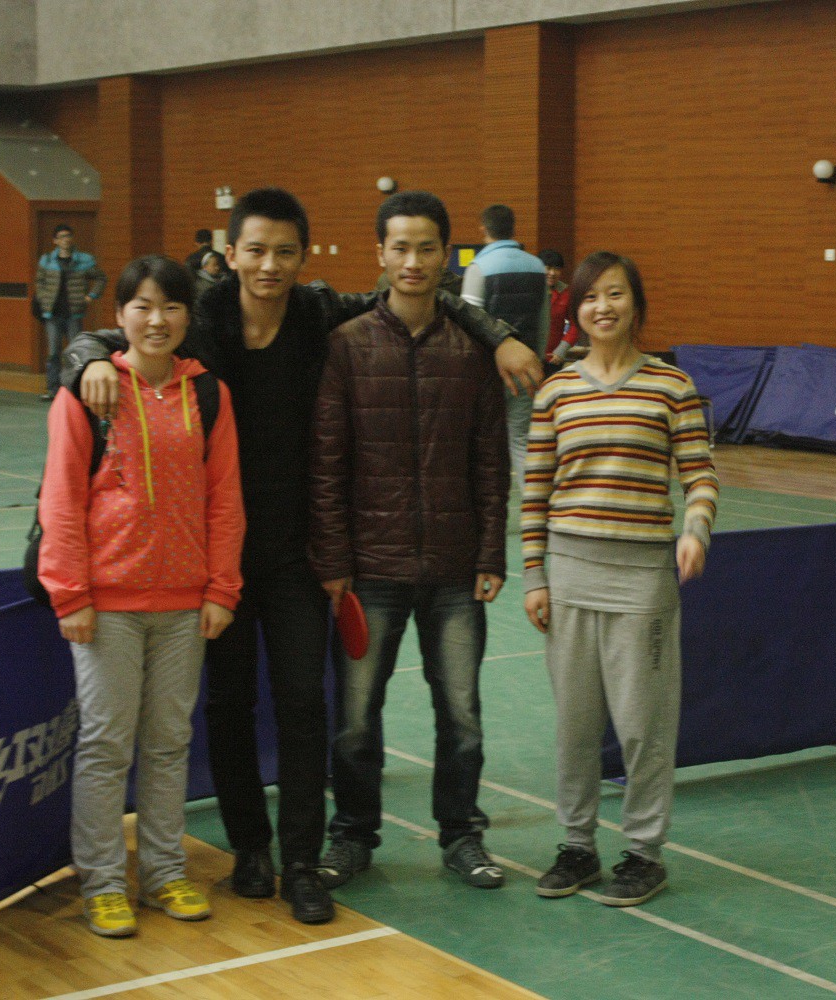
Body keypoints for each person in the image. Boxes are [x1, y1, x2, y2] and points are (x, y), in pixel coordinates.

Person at [64, 187, 537, 925]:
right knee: (228, 705)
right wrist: (87, 357)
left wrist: (499, 334)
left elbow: (413, 293)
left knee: (305, 705)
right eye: (255, 250)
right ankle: (250, 851)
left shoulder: (318, 312)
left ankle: (302, 863)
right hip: (213, 555)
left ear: (303, 256)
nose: (270, 266)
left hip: (297, 551)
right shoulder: (200, 319)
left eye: (285, 252)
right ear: (230, 255)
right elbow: (125, 329)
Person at [38, 255, 245, 936]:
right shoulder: (88, 392)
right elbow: (61, 499)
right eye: (143, 306)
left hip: (185, 607)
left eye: (172, 307)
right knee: (105, 747)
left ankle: (162, 873)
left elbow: (225, 499)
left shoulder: (208, 394)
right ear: (120, 314)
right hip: (108, 608)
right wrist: (71, 593)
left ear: (188, 317)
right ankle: (102, 882)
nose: (158, 321)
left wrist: (221, 587)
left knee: (167, 745)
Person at [310, 191, 511, 891]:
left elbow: (490, 461)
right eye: (400, 247)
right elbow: (327, 463)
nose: (413, 261)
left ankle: (462, 836)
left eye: (427, 248)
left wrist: (491, 552)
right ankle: (351, 835)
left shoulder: (472, 351)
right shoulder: (346, 345)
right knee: (355, 720)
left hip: (455, 571)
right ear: (380, 254)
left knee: (462, 716)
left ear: (445, 254)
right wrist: (334, 559)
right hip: (370, 570)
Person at [521, 251, 719, 908]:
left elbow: (700, 474)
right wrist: (534, 575)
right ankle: (577, 845)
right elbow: (536, 492)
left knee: (642, 727)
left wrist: (695, 529)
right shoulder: (555, 392)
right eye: (590, 297)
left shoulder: (672, 386)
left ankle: (644, 853)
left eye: (615, 294)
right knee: (576, 726)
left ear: (636, 304)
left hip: (641, 581)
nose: (601, 307)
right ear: (575, 310)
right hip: (569, 575)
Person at [462, 204, 549, 491]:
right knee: (521, 440)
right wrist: (536, 360)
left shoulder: (479, 267)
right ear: (513, 228)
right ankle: (534, 504)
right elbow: (544, 321)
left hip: (486, 372)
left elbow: (469, 323)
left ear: (483, 229)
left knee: (483, 443)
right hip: (526, 368)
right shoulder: (537, 267)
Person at [36, 224, 106, 400]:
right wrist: (43, 299)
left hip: (74, 313)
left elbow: (101, 278)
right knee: (53, 352)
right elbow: (40, 282)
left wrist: (90, 296)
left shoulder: (84, 260)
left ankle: (74, 388)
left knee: (75, 352)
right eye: (61, 237)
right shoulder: (47, 261)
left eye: (68, 236)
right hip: (52, 314)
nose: (65, 240)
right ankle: (52, 389)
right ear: (55, 241)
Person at [539, 249, 575, 371]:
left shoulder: (566, 293)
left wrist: (562, 349)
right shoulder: (529, 290)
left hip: (554, 357)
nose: (553, 273)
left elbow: (575, 324)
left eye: (557, 269)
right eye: (548, 268)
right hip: (529, 355)